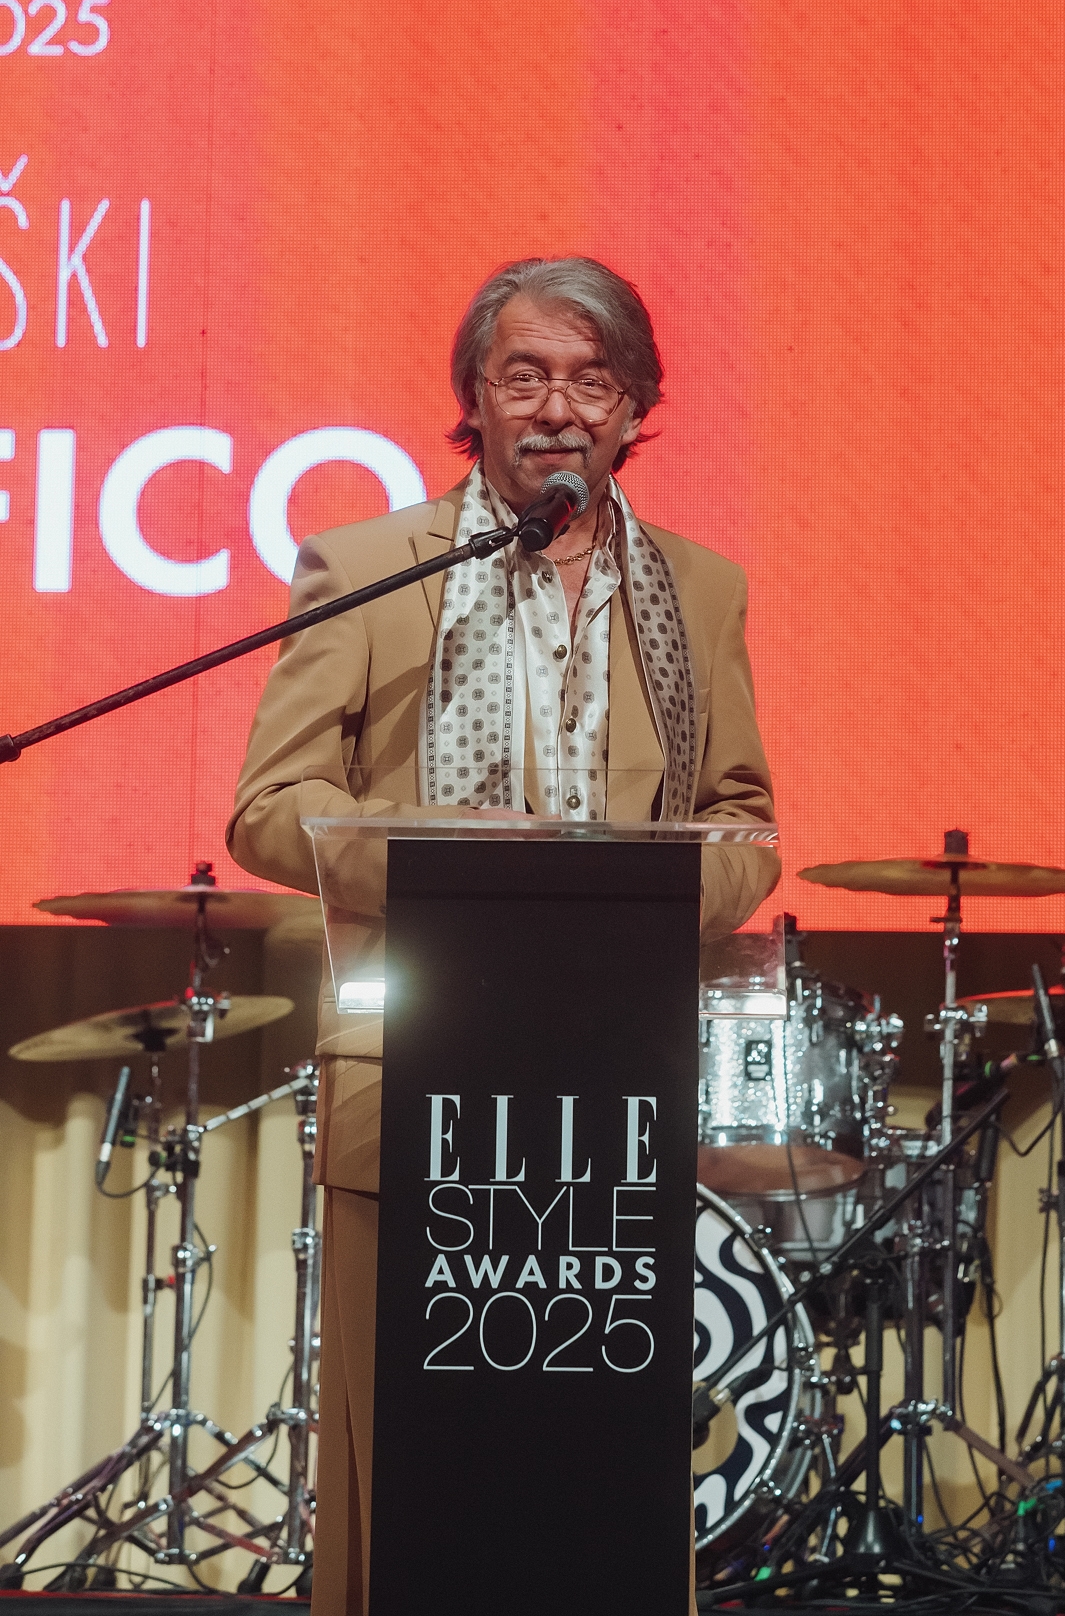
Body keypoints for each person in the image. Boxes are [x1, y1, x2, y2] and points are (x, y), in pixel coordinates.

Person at [227, 255, 779, 1616]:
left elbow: (742, 822)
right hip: (412, 1068)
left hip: (616, 1087)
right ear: (472, 399)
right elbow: (269, 810)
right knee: (412, 1477)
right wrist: (439, 855)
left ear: (635, 408)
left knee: (601, 1473)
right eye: (523, 375)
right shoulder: (370, 569)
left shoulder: (700, 590)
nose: (557, 408)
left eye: (592, 380)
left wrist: (633, 896)